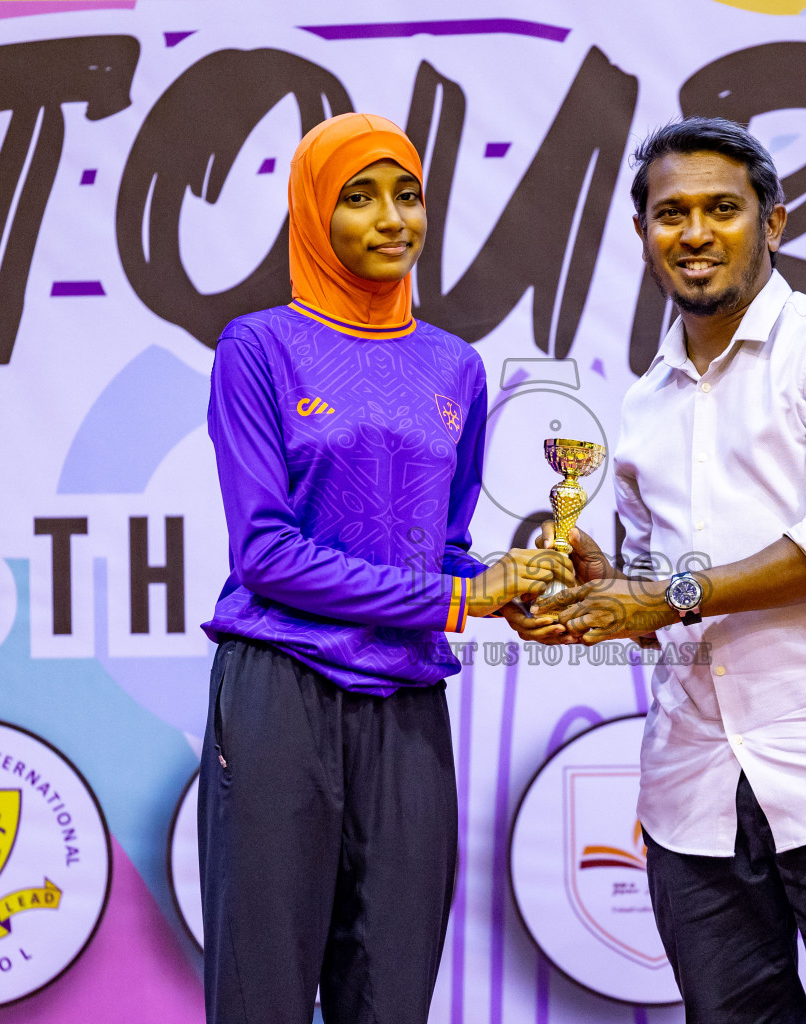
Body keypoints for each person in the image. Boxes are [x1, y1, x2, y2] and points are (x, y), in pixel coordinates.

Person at [508, 117, 806, 1024]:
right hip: (692, 789)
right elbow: (658, 581)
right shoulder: (642, 402)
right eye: (672, 213)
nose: (696, 233)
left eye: (723, 209)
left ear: (773, 224)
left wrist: (664, 592)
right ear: (642, 236)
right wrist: (601, 587)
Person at [198, 112, 570, 1024]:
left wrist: (512, 586)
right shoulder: (259, 347)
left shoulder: (455, 367)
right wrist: (454, 596)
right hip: (281, 690)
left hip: (406, 705)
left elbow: (441, 546)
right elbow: (268, 555)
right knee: (263, 995)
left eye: (407, 194)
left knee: (394, 993)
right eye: (359, 197)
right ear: (314, 211)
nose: (391, 218)